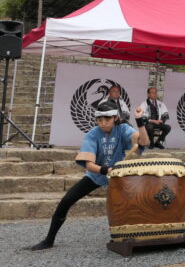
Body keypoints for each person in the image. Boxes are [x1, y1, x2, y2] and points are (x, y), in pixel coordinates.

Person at [29, 104, 149, 250]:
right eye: (99, 119)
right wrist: (106, 170)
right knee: (67, 200)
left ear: (115, 118)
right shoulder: (92, 134)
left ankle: (131, 235)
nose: (103, 122)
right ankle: (49, 240)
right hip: (97, 174)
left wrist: (140, 121)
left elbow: (144, 142)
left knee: (133, 203)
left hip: (118, 175)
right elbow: (89, 164)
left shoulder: (123, 129)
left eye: (107, 119)